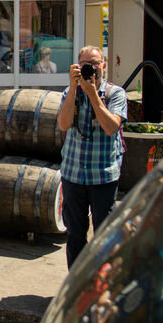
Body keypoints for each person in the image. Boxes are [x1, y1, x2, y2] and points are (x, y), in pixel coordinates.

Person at [57, 45, 127, 269]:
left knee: (104, 236)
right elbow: (63, 124)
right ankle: (76, 289)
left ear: (103, 65)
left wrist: (93, 94)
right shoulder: (70, 92)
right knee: (75, 234)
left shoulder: (115, 93)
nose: (91, 68)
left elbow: (111, 127)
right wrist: (73, 87)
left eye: (95, 63)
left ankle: (101, 289)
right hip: (73, 173)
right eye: (86, 64)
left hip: (103, 175)